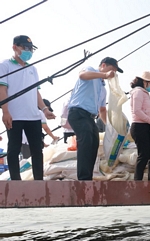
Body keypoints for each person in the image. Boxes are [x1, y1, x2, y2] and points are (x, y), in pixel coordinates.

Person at [0, 35, 55, 180]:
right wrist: (5, 111)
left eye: (30, 48)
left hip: (33, 116)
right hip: (15, 115)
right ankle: (16, 181)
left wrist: (44, 109)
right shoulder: (5, 65)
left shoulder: (33, 69)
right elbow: (2, 90)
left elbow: (36, 92)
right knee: (13, 149)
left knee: (37, 150)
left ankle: (38, 181)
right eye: (25, 48)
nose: (28, 51)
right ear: (14, 47)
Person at [67, 57, 122, 180]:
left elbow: (102, 110)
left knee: (94, 144)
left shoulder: (103, 89)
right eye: (112, 69)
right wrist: (104, 74)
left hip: (90, 117)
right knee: (85, 141)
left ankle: (89, 175)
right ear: (103, 65)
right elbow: (82, 75)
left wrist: (109, 126)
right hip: (78, 113)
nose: (113, 73)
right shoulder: (90, 70)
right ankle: (83, 178)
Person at [129, 71, 150, 181]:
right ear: (145, 82)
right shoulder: (138, 92)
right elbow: (137, 111)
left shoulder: (144, 93)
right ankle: (137, 181)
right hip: (139, 127)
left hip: (146, 126)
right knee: (143, 154)